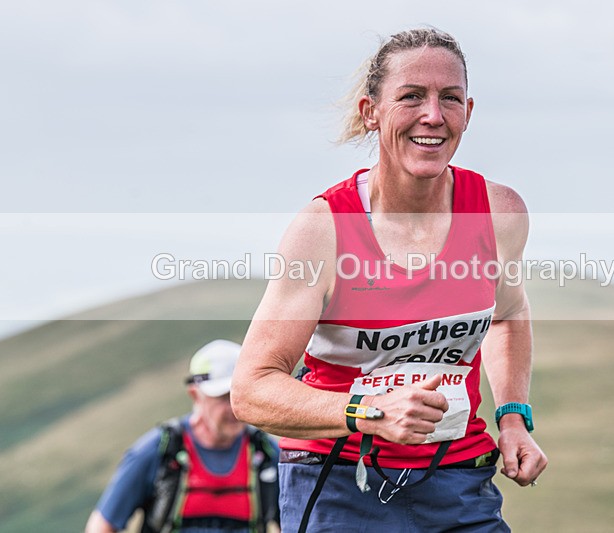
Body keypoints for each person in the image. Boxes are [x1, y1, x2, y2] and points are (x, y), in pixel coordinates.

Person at [231, 28, 547, 532]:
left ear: (469, 110)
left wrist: (513, 417)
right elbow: (252, 390)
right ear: (370, 111)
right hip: (338, 485)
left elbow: (508, 315)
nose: (433, 116)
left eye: (449, 99)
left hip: (459, 482)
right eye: (411, 97)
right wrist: (370, 410)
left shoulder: (498, 212)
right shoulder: (323, 229)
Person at [85, 340, 281, 533]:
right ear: (195, 395)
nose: (234, 408)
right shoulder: (158, 450)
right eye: (223, 397)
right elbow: (102, 526)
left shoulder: (266, 454)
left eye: (239, 396)